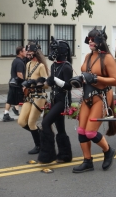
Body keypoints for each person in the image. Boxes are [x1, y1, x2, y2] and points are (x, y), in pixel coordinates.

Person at [70, 26, 116, 173]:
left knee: (90, 133)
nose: (90, 42)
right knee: (81, 130)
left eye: (93, 39)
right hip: (86, 97)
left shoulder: (108, 58)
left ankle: (108, 150)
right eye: (89, 39)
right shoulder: (88, 56)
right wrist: (79, 79)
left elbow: (115, 80)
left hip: (101, 97)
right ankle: (87, 161)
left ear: (100, 41)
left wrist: (97, 78)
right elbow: (86, 74)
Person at [37, 36, 73, 164]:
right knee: (60, 129)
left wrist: (56, 81)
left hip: (62, 101)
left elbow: (69, 86)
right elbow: (51, 83)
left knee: (46, 123)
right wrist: (40, 82)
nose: (51, 53)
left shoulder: (66, 67)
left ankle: (47, 155)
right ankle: (65, 155)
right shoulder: (54, 66)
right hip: (54, 99)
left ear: (61, 51)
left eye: (54, 50)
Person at [17, 41, 49, 154]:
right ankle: (40, 134)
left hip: (39, 96)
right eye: (28, 51)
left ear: (35, 53)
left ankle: (39, 145)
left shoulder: (41, 66)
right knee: (21, 121)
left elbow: (46, 83)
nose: (28, 54)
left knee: (31, 122)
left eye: (30, 52)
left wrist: (35, 82)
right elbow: (26, 79)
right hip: (29, 95)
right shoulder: (28, 64)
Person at [3, 46, 26, 122]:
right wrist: (24, 82)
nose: (26, 52)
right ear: (20, 52)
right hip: (17, 84)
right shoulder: (20, 62)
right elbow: (19, 74)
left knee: (10, 99)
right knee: (24, 99)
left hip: (12, 83)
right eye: (24, 51)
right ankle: (26, 115)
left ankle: (6, 114)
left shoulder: (15, 60)